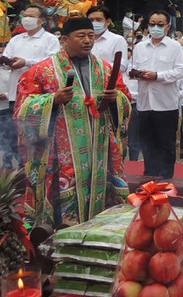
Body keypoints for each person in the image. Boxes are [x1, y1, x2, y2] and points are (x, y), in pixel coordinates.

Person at [16, 17, 131, 226]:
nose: (88, 41)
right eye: (81, 36)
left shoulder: (105, 70)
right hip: (60, 152)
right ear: (65, 40)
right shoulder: (43, 71)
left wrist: (116, 100)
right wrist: (52, 100)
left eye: (91, 36)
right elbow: (22, 109)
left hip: (99, 149)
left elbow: (125, 100)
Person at [2, 5, 60, 169]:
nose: (26, 18)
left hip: (38, 97)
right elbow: (6, 60)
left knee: (36, 134)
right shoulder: (16, 39)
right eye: (25, 15)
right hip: (16, 94)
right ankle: (16, 166)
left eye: (31, 16)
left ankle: (39, 167)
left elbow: (52, 64)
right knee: (15, 134)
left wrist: (26, 62)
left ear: (41, 20)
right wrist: (8, 63)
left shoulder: (50, 40)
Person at [130, 9, 183, 178]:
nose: (155, 27)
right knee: (148, 145)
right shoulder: (139, 47)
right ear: (147, 26)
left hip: (166, 105)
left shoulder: (174, 46)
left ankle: (167, 180)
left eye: (160, 25)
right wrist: (137, 74)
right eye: (152, 24)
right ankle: (149, 178)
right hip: (145, 104)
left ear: (167, 27)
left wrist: (158, 76)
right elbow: (132, 69)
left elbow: (180, 71)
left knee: (166, 145)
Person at [88, 6, 130, 73]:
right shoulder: (84, 41)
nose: (94, 23)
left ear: (108, 22)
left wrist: (96, 67)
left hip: (108, 81)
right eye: (91, 20)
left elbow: (121, 66)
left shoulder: (117, 40)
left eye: (98, 20)